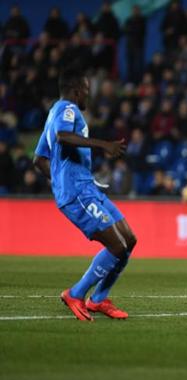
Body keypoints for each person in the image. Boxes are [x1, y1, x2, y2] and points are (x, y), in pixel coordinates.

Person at [33, 68, 136, 321]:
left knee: (129, 240)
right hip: (78, 191)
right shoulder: (68, 109)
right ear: (77, 91)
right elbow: (64, 137)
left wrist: (58, 181)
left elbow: (39, 159)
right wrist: (105, 145)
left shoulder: (53, 113)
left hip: (86, 187)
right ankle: (76, 293)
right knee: (116, 245)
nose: (88, 97)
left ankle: (98, 300)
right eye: (87, 92)